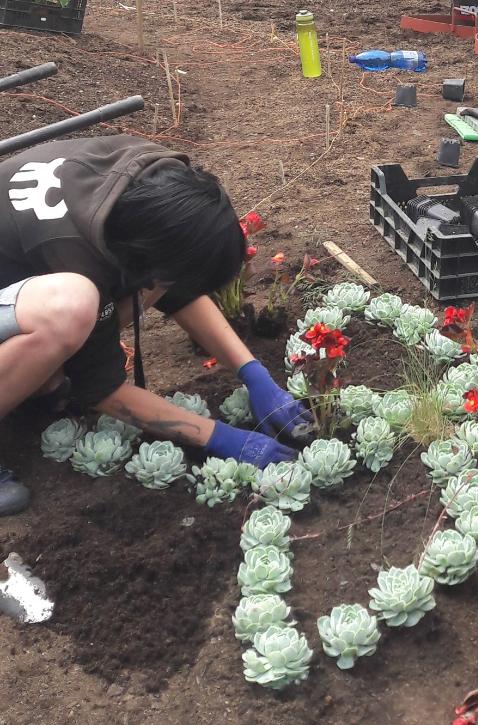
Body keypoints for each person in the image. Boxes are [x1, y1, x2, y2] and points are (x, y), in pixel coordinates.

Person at [0, 135, 310, 515]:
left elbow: (173, 285)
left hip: (19, 285)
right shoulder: (76, 255)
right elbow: (102, 389)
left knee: (60, 345)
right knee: (70, 310)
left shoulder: (154, 180)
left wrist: (253, 374)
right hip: (40, 290)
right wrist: (222, 437)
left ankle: (35, 383)